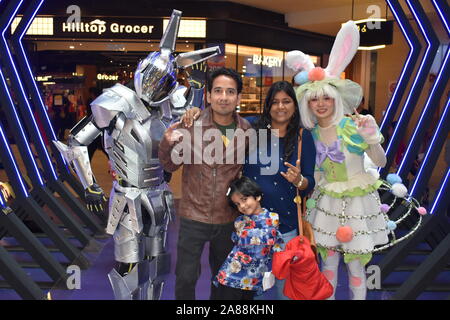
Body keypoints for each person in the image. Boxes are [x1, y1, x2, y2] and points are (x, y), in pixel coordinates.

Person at [53, 10, 220, 300]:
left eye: (162, 83)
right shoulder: (116, 102)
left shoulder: (170, 105)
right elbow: (77, 141)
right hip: (127, 195)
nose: (155, 86)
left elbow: (192, 126)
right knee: (129, 263)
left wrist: (196, 89)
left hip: (159, 193)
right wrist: (89, 185)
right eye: (152, 78)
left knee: (157, 262)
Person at [180, 80, 317, 300]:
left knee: (286, 292)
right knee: (252, 294)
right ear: (267, 106)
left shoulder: (303, 137)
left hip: (286, 226)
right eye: (275, 102)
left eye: (286, 101)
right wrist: (197, 111)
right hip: (251, 227)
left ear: (294, 105)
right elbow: (221, 118)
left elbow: (310, 181)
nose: (280, 107)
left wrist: (300, 181)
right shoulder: (252, 128)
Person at [288, 21, 388, 300]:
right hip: (326, 202)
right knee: (327, 265)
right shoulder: (309, 134)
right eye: (314, 99)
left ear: (335, 99)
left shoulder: (353, 125)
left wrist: (372, 137)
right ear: (307, 103)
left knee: (356, 268)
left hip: (356, 202)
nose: (320, 104)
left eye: (326, 98)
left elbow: (380, 161)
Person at [159, 67, 252, 300]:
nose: (224, 97)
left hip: (228, 218)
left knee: (224, 281)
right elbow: (169, 166)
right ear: (208, 95)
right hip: (193, 216)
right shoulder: (192, 124)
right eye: (218, 91)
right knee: (186, 278)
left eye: (230, 92)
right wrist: (171, 137)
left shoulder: (246, 130)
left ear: (238, 97)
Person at [213, 176, 282, 300]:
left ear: (258, 196)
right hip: (232, 278)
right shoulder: (239, 222)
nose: (242, 206)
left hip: (253, 280)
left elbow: (275, 246)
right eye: (238, 204)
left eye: (244, 199)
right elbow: (235, 245)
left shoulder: (273, 219)